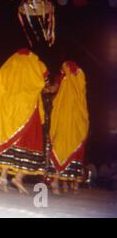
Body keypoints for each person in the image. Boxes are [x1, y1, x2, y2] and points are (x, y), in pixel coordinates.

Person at [0, 48, 48, 194]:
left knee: (10, 141)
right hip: (29, 108)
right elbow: (45, 82)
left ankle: (3, 176)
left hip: (12, 109)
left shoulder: (10, 63)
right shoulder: (38, 65)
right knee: (31, 143)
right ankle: (18, 178)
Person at [47, 61, 89, 194]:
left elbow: (52, 89)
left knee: (62, 148)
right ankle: (64, 183)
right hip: (73, 122)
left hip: (68, 120)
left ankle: (60, 182)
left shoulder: (66, 79)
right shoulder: (79, 78)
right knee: (67, 148)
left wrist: (40, 87)